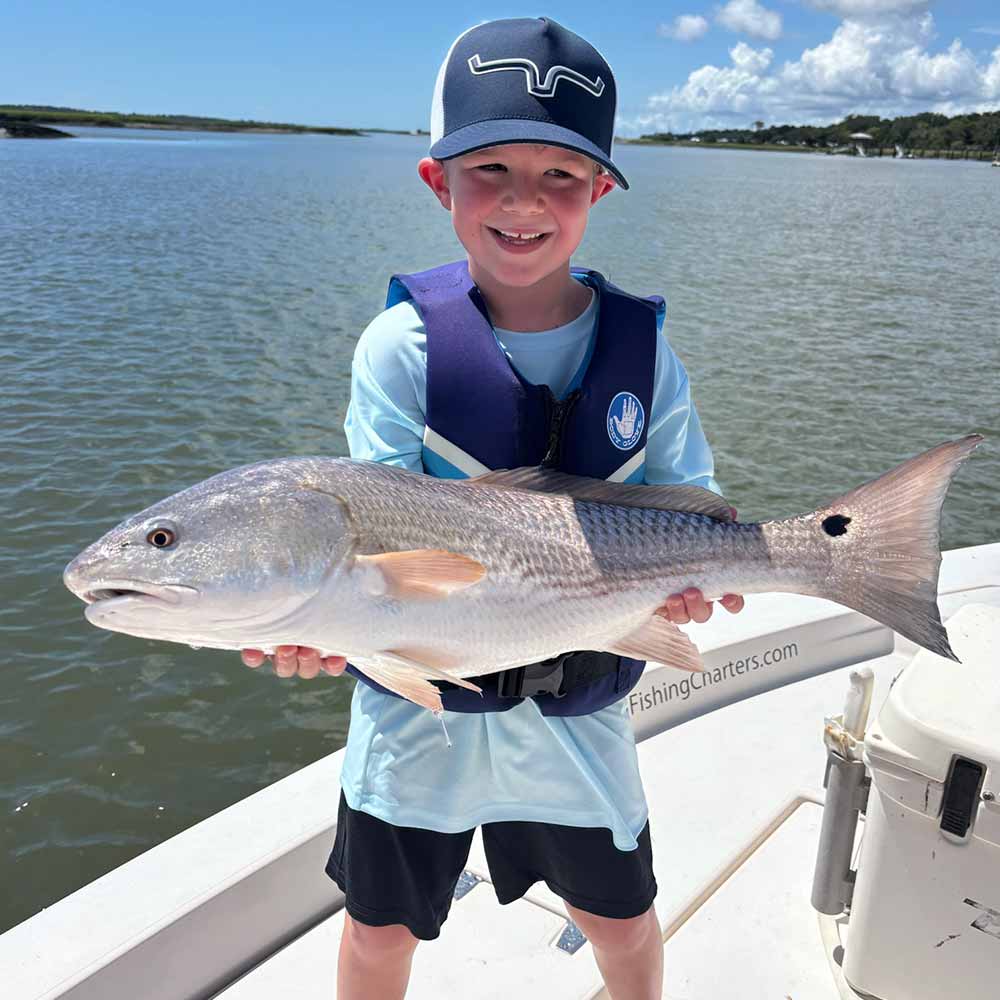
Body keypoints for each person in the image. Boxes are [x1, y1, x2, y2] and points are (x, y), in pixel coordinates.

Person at [241, 17, 743, 1000]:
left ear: (601, 189)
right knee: (378, 935)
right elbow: (371, 528)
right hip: (418, 715)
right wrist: (310, 620)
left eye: (562, 175)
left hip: (579, 709)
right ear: (438, 182)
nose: (525, 201)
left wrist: (688, 585)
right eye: (491, 170)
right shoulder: (398, 349)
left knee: (624, 920)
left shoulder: (649, 355)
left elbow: (694, 501)